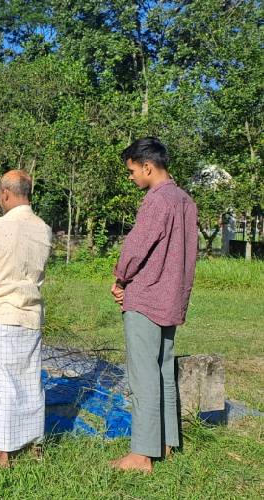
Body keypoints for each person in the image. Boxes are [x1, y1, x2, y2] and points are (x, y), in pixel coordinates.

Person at [110, 137, 198, 474]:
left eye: (132, 171)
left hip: (146, 297)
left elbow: (136, 247)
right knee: (163, 372)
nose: (131, 177)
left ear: (147, 166)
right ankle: (165, 444)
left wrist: (120, 279)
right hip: (172, 296)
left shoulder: (156, 201)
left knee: (143, 375)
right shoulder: (185, 200)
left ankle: (141, 455)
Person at [0, 170, 53, 468]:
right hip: (32, 313)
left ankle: (2, 451)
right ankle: (34, 442)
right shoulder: (44, 229)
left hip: (5, 311)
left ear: (5, 193)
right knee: (30, 379)